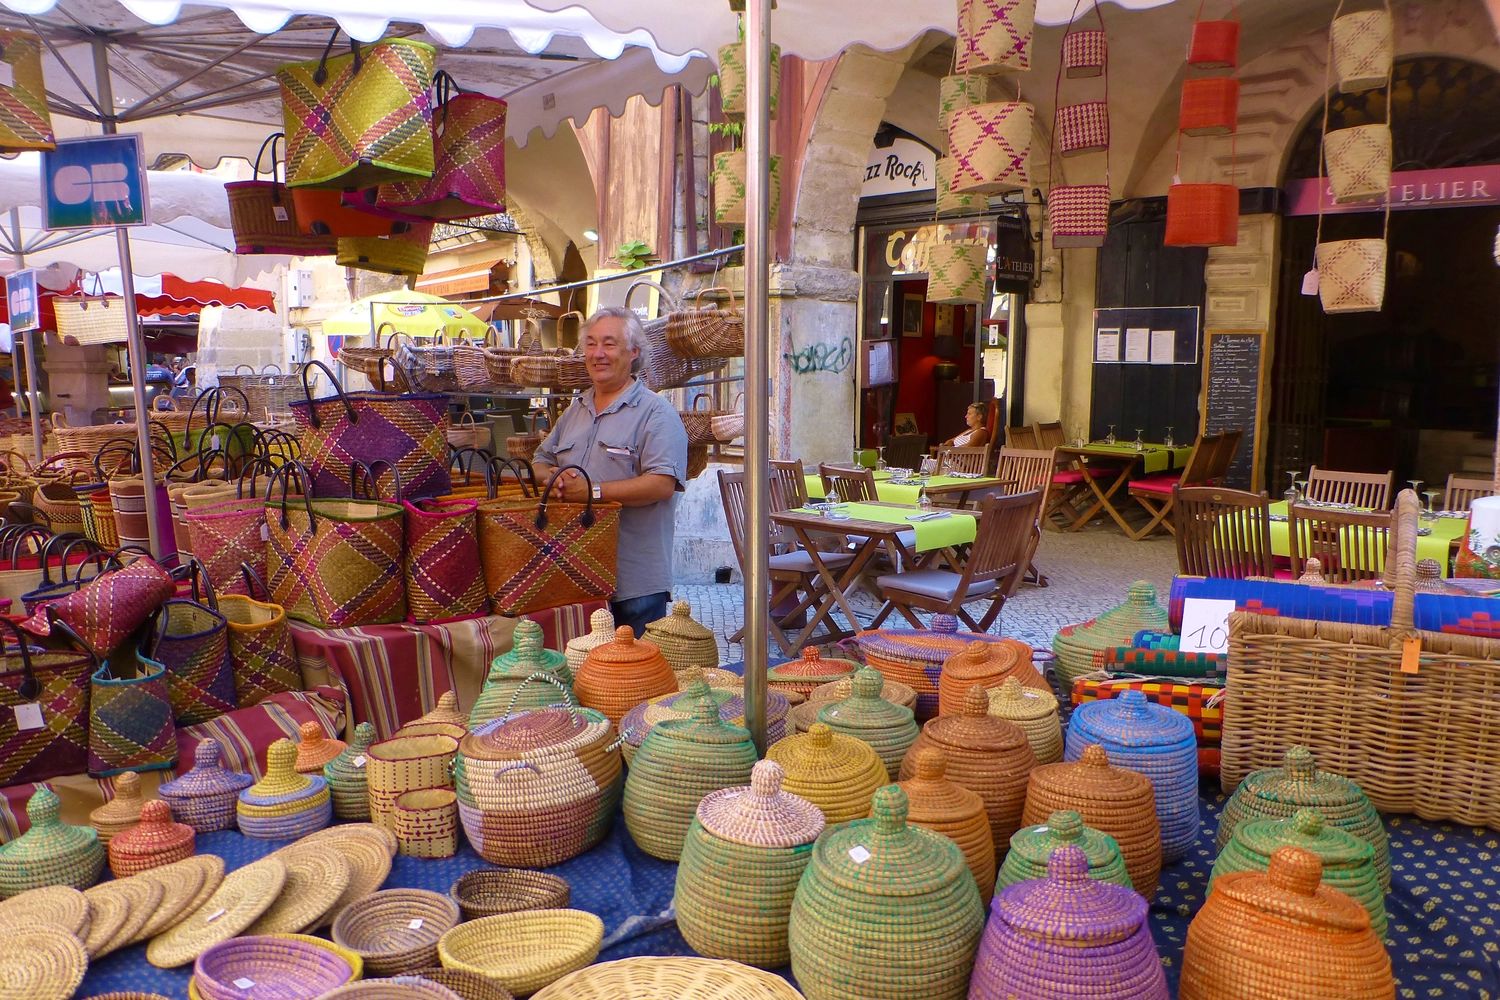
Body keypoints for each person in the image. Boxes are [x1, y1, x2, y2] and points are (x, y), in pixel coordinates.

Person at [531, 308, 689, 637]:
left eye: (609, 344)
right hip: (575, 576)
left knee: (634, 683)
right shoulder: (576, 409)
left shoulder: (656, 413)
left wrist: (594, 492)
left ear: (634, 353)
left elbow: (661, 484)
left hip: (633, 584)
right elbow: (539, 461)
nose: (597, 354)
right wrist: (553, 478)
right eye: (590, 344)